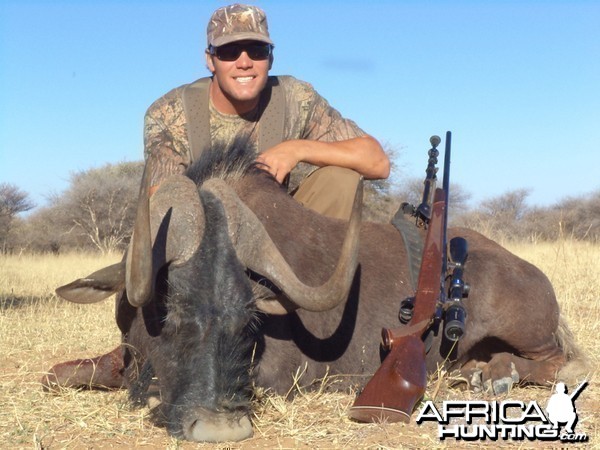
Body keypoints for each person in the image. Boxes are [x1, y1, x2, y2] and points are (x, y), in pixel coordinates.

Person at [42, 3, 389, 390]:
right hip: (203, 253)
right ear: (210, 60)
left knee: (342, 178)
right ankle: (135, 355)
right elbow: (162, 198)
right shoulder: (170, 112)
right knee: (148, 255)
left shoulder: (297, 98)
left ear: (270, 57)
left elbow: (376, 161)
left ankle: (306, 324)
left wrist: (296, 148)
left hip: (279, 250)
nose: (244, 62)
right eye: (229, 52)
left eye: (256, 51)